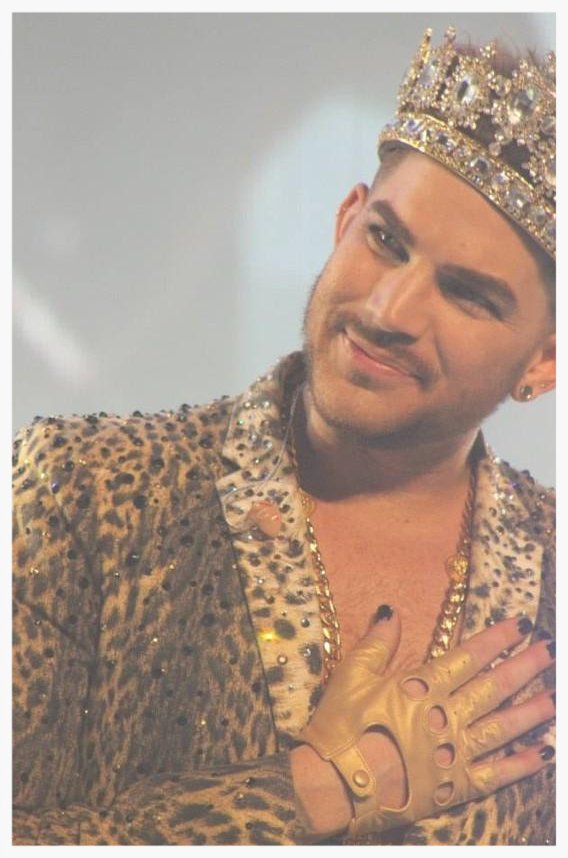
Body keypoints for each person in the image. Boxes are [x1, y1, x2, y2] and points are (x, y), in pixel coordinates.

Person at [12, 25, 555, 846]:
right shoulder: (83, 494)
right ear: (344, 220)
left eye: (467, 294)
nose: (388, 311)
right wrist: (308, 792)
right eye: (386, 241)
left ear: (544, 361)